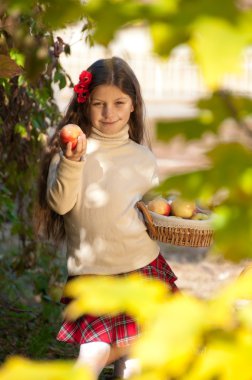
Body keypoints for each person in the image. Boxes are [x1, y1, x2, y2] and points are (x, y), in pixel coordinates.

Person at [36, 56, 179, 379]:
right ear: (85, 106)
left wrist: (173, 208)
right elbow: (59, 204)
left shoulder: (143, 158)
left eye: (119, 103)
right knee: (95, 351)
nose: (108, 113)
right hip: (93, 275)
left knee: (134, 367)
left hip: (140, 267)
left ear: (133, 106)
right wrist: (72, 163)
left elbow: (151, 206)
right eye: (99, 103)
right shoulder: (73, 152)